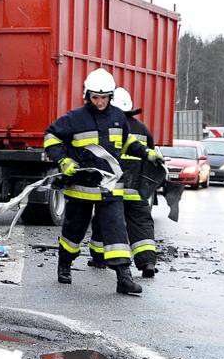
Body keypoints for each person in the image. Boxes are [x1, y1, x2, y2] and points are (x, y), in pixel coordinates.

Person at [43, 68, 159, 294]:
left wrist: (147, 153)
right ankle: (64, 264)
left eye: (104, 97)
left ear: (110, 96)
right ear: (87, 95)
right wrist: (63, 161)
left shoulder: (118, 118)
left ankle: (123, 277)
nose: (99, 102)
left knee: (116, 231)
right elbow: (51, 136)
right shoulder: (74, 118)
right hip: (81, 188)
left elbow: (127, 143)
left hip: (110, 188)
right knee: (73, 231)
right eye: (95, 97)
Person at [86, 87, 159, 277]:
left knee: (104, 222)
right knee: (141, 223)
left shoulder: (106, 126)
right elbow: (150, 155)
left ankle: (100, 258)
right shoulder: (142, 129)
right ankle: (147, 263)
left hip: (113, 188)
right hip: (136, 190)